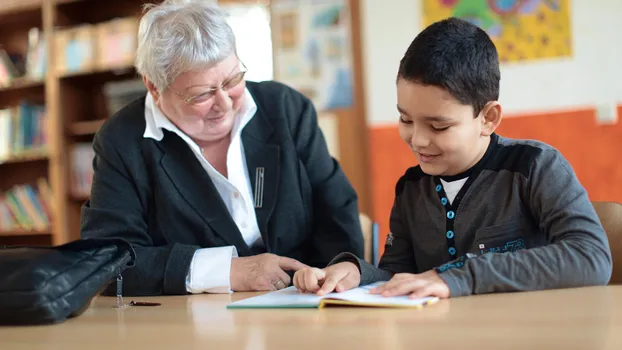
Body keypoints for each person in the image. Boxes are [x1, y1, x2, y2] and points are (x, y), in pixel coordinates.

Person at [293, 17, 612, 299]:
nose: (417, 140)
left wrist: (460, 277)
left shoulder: (535, 167)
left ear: (488, 118)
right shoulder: (411, 189)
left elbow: (591, 257)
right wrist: (357, 272)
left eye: (438, 126)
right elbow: (398, 274)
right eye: (405, 120)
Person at [80, 0, 364, 296]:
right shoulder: (122, 140)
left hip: (307, 305)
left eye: (233, 80)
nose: (225, 104)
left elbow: (337, 209)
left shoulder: (286, 108)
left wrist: (343, 269)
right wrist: (226, 271)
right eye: (202, 94)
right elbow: (108, 259)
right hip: (193, 325)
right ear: (153, 86)